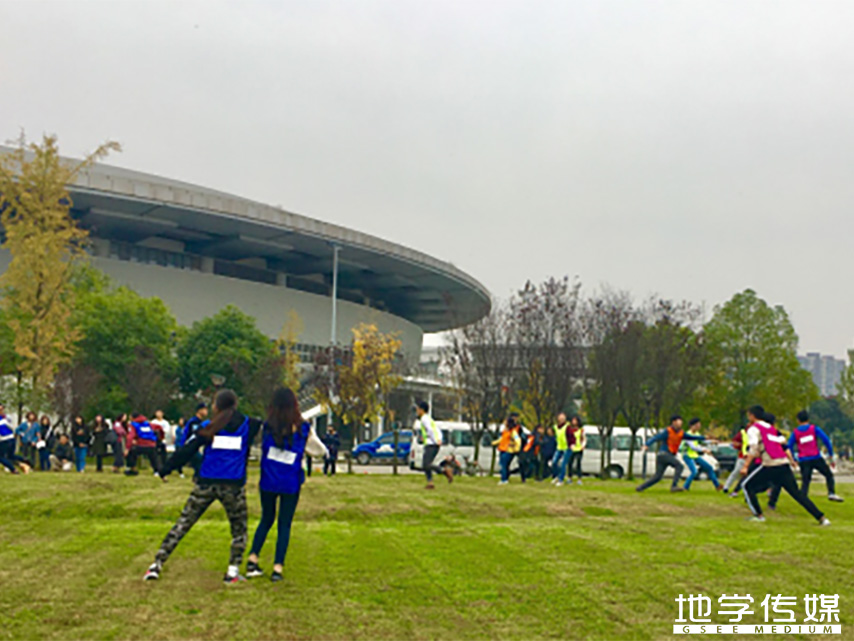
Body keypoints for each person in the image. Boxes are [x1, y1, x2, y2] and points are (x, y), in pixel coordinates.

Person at [144, 389, 263, 584]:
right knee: (239, 530)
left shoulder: (208, 427)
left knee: (183, 523)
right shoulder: (250, 425)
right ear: (235, 405)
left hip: (206, 481)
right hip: (233, 484)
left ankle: (156, 564)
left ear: (216, 406)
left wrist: (165, 469)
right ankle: (232, 571)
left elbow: (187, 450)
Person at [246, 387, 328, 582]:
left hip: (268, 480)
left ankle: (252, 559)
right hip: (290, 482)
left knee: (266, 519)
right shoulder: (302, 428)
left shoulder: (267, 426)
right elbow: (319, 451)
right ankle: (277, 568)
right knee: (284, 524)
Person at [740, 405, 829, 525]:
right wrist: (790, 460)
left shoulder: (753, 429)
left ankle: (758, 515)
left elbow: (753, 448)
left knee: (746, 485)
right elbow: (782, 441)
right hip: (783, 463)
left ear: (751, 415)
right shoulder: (771, 428)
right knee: (797, 494)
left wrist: (746, 465)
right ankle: (821, 518)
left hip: (770, 464)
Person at [768, 410, 843, 507]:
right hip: (816, 457)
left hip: (804, 459)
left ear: (798, 420)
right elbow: (826, 440)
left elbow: (789, 445)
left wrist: (794, 458)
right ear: (808, 419)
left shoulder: (796, 432)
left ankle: (804, 499)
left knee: (805, 481)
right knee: (828, 474)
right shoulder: (814, 429)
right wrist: (830, 453)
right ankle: (831, 493)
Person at [636, 415, 704, 493]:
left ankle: (640, 488)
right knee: (679, 466)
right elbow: (656, 437)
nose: (681, 423)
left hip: (666, 456)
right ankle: (674, 486)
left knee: (658, 477)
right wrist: (646, 444)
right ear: (674, 422)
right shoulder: (667, 431)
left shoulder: (681, 433)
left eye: (681, 421)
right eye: (679, 421)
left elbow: (691, 437)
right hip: (664, 455)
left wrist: (705, 438)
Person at [415, 401, 450, 489]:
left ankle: (444, 470)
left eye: (418, 409)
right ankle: (430, 483)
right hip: (430, 443)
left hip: (432, 444)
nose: (417, 411)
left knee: (426, 464)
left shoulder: (424, 419)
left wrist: (436, 440)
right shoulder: (427, 418)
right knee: (426, 464)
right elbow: (435, 430)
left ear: (422, 410)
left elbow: (431, 430)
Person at [681, 418, 722, 491]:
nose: (699, 426)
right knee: (694, 472)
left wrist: (712, 441)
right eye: (697, 425)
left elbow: (702, 441)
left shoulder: (697, 434)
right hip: (687, 455)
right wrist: (704, 450)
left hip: (694, 455)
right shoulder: (688, 435)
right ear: (692, 426)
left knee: (709, 468)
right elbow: (693, 447)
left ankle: (717, 486)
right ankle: (685, 487)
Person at [1, 402, 32, 474]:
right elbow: (13, 428)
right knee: (10, 456)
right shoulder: (6, 418)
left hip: (4, 439)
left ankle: (14, 470)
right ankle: (25, 460)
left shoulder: (5, 418)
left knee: (1, 457)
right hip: (11, 438)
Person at [493, 416, 522, 485]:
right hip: (503, 449)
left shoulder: (513, 432)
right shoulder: (505, 431)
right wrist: (495, 442)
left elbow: (518, 440)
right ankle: (505, 478)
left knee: (504, 465)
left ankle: (504, 479)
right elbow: (502, 439)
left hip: (509, 450)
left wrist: (517, 448)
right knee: (503, 465)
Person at [183, 403, 209, 478]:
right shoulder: (194, 422)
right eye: (205, 409)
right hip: (190, 446)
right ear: (199, 410)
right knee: (200, 462)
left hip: (196, 447)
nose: (206, 411)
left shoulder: (201, 422)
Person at [723, 425, 750, 496]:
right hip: (743, 456)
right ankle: (726, 487)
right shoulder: (743, 433)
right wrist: (740, 446)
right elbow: (735, 442)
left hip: (753, 457)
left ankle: (740, 490)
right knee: (736, 472)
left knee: (748, 475)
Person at [550, 413, 571, 486]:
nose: (561, 420)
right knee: (554, 462)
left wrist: (571, 444)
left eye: (563, 418)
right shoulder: (555, 427)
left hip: (566, 447)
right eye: (560, 418)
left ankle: (561, 480)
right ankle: (557, 476)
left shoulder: (568, 427)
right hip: (559, 447)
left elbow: (571, 436)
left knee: (563, 464)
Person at [567, 416, 586, 485]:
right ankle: (569, 478)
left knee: (578, 464)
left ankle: (579, 479)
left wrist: (583, 445)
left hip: (579, 449)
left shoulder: (581, 430)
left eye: (575, 420)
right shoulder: (569, 429)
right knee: (570, 463)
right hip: (572, 448)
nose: (574, 422)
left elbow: (583, 438)